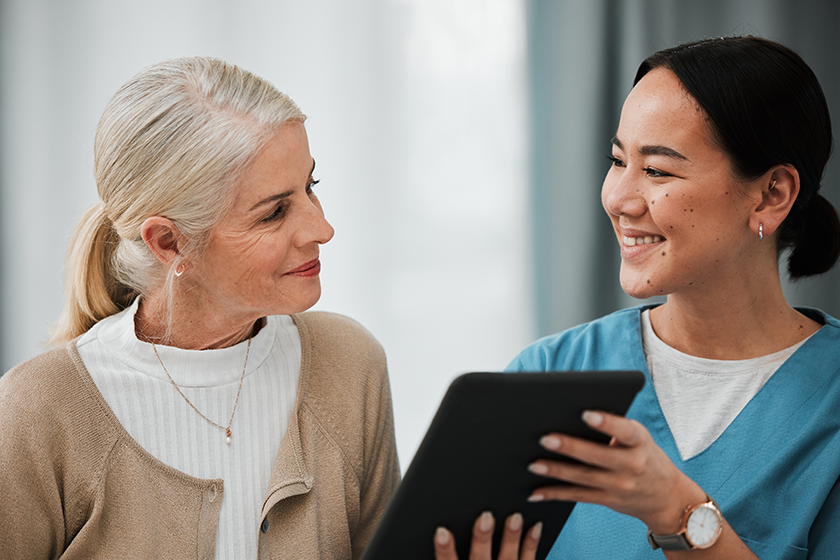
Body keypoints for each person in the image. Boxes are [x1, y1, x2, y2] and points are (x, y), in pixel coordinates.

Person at [434, 36, 840, 560]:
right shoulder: (548, 375)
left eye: (656, 170)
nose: (618, 198)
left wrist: (677, 511)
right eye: (617, 160)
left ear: (771, 194)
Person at [0, 57, 399, 559]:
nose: (321, 229)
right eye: (274, 212)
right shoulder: (38, 410)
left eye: (310, 187)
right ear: (169, 242)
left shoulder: (350, 364)